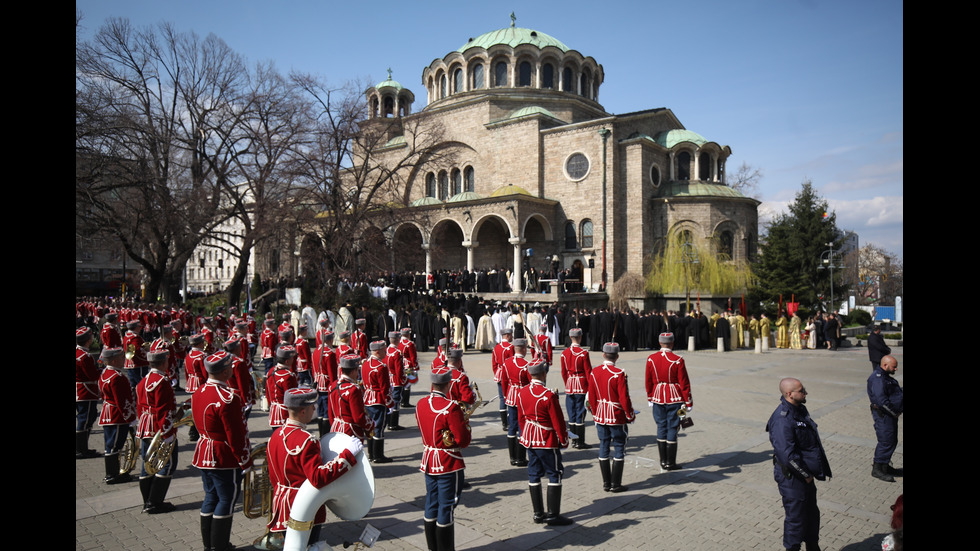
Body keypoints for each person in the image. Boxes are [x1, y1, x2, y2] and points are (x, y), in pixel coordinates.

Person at [266, 388, 363, 544]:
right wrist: (347, 455)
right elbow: (318, 478)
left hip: (281, 505)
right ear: (303, 411)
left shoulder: (275, 435)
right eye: (312, 407)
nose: (315, 410)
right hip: (304, 506)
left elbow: (273, 477)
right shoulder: (306, 440)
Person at [192, 350, 253, 551]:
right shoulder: (228, 397)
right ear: (226, 371)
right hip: (222, 455)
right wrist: (245, 461)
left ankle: (208, 545)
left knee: (211, 496)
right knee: (226, 498)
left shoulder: (198, 392)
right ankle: (219, 545)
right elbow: (235, 435)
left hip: (203, 451)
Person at [766, 378, 831, 551]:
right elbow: (787, 455)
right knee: (796, 519)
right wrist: (806, 475)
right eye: (801, 390)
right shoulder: (782, 419)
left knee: (811, 515)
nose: (806, 393)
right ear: (789, 394)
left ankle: (812, 546)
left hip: (805, 476)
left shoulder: (799, 410)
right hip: (793, 478)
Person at [417, 363, 471, 551]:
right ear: (449, 384)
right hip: (448, 462)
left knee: (431, 502)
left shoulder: (421, 404)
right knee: (446, 506)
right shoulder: (451, 407)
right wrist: (465, 423)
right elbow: (462, 440)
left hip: (428, 461)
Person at [517, 358, 573, 526]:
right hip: (545, 439)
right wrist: (563, 439)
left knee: (534, 473)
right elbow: (558, 421)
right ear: (543, 373)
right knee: (554, 473)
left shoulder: (522, 392)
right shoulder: (548, 395)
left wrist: (525, 435)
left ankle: (538, 513)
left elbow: (521, 418)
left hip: (529, 438)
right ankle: (553, 514)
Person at [588, 342, 635, 492]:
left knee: (604, 445)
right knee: (620, 445)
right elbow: (624, 398)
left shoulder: (594, 372)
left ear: (603, 355)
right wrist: (630, 414)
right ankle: (616, 483)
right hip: (615, 415)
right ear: (617, 356)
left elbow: (592, 397)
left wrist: (595, 413)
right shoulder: (619, 373)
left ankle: (606, 483)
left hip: (601, 414)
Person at [136, 349, 179, 514]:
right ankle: (155, 502)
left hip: (146, 426)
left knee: (147, 463)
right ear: (163, 362)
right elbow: (163, 411)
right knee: (166, 464)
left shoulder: (144, 380)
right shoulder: (161, 381)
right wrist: (167, 433)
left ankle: (147, 500)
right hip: (158, 427)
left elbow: (140, 406)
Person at [645, 332, 693, 471]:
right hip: (675, 397)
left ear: (660, 343)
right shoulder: (677, 359)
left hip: (657, 395)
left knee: (661, 426)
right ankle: (670, 462)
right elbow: (684, 382)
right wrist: (688, 401)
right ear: (672, 343)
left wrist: (650, 396)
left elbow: (648, 380)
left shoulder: (651, 359)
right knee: (673, 427)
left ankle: (663, 461)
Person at [98, 347, 137, 485]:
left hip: (108, 413)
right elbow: (123, 401)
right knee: (116, 445)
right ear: (114, 360)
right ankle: (113, 475)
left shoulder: (105, 373)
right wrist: (131, 418)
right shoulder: (117, 377)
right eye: (121, 358)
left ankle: (112, 473)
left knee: (111, 444)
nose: (124, 360)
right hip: (117, 415)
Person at [867, 355, 903, 482]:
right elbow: (881, 401)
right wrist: (894, 412)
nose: (896, 369)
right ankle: (877, 469)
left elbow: (894, 393)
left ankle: (885, 466)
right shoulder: (878, 379)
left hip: (889, 416)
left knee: (892, 440)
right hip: (884, 416)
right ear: (885, 365)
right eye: (894, 366)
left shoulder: (885, 377)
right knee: (886, 441)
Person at [329, 355, 375, 441]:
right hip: (350, 431)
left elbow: (331, 413)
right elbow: (358, 417)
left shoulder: (332, 386)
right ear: (353, 371)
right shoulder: (353, 389)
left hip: (336, 428)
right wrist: (370, 425)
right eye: (357, 370)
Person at [362, 341, 394, 463]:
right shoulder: (381, 367)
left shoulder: (365, 363)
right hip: (378, 400)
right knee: (379, 428)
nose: (385, 351)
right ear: (377, 351)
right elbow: (384, 388)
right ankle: (378, 455)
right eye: (383, 350)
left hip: (367, 399)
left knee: (371, 427)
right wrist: (390, 403)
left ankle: (371, 454)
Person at [502, 338, 531, 467]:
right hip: (522, 397)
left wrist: (505, 395)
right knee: (522, 426)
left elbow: (504, 382)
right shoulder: (526, 364)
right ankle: (520, 457)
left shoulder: (507, 363)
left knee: (512, 426)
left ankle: (512, 457)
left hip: (510, 395)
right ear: (523, 349)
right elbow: (530, 384)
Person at [560, 328, 592, 449]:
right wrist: (590, 387)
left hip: (570, 384)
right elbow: (588, 371)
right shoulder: (583, 353)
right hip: (581, 383)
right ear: (580, 337)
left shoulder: (564, 353)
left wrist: (567, 383)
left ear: (570, 338)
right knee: (580, 412)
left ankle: (573, 439)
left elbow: (564, 372)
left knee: (571, 412)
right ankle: (579, 441)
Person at [77, 327, 102, 459]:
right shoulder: (85, 356)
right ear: (88, 340)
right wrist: (102, 369)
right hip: (85, 391)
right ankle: (80, 449)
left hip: (81, 390)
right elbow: (92, 375)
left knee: (86, 418)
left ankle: (82, 447)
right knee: (85, 419)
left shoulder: (79, 353)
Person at [267, 345, 299, 429]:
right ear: (287, 361)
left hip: (274, 413)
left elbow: (268, 394)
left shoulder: (270, 371)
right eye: (292, 358)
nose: (293, 360)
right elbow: (292, 399)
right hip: (285, 415)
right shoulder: (289, 376)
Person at [492, 327, 515, 431]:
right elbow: (512, 362)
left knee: (502, 398)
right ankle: (510, 421)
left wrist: (497, 373)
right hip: (508, 373)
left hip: (499, 372)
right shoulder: (510, 347)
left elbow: (494, 364)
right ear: (507, 335)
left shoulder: (496, 347)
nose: (512, 337)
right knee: (509, 397)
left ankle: (504, 423)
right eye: (511, 335)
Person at [385, 331, 406, 431]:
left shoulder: (387, 350)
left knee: (390, 400)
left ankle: (390, 422)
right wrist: (403, 379)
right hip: (395, 380)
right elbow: (399, 369)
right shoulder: (397, 353)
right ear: (398, 340)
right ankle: (393, 424)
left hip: (388, 379)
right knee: (396, 401)